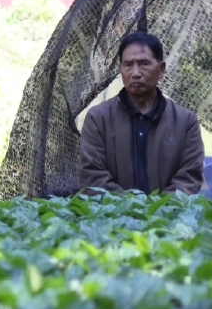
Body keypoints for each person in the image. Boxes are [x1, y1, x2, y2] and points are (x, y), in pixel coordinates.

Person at [78, 32, 204, 194]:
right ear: (120, 70)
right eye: (128, 65)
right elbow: (92, 176)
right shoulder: (98, 118)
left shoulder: (185, 121)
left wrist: (158, 210)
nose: (135, 73)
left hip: (168, 217)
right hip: (112, 217)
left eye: (144, 63)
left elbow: (189, 176)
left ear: (161, 69)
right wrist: (131, 208)